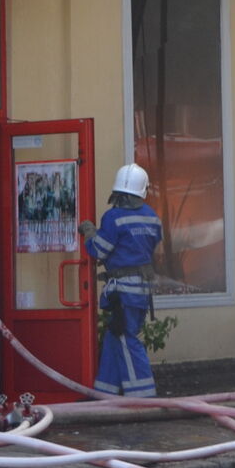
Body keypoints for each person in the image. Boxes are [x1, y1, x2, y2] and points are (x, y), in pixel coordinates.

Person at [79, 162, 164, 397]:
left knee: (126, 338)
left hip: (122, 292)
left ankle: (144, 396)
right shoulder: (152, 216)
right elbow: (152, 246)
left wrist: (89, 234)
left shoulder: (113, 216)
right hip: (141, 289)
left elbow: (99, 251)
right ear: (142, 191)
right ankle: (104, 393)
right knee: (113, 338)